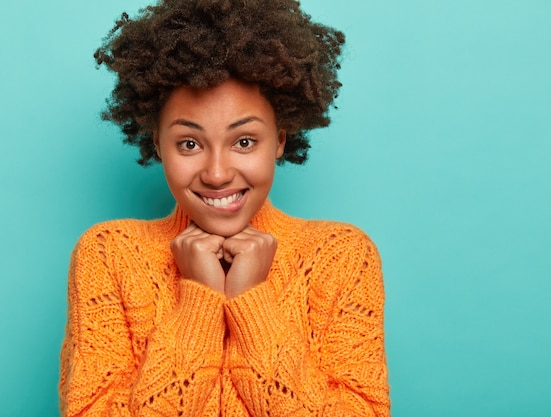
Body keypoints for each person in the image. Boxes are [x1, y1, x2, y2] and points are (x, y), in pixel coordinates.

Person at [59, 0, 390, 416]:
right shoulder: (108, 253)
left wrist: (253, 300)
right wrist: (198, 301)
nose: (216, 174)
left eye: (244, 141)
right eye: (190, 144)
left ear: (281, 140)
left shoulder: (341, 256)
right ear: (159, 145)